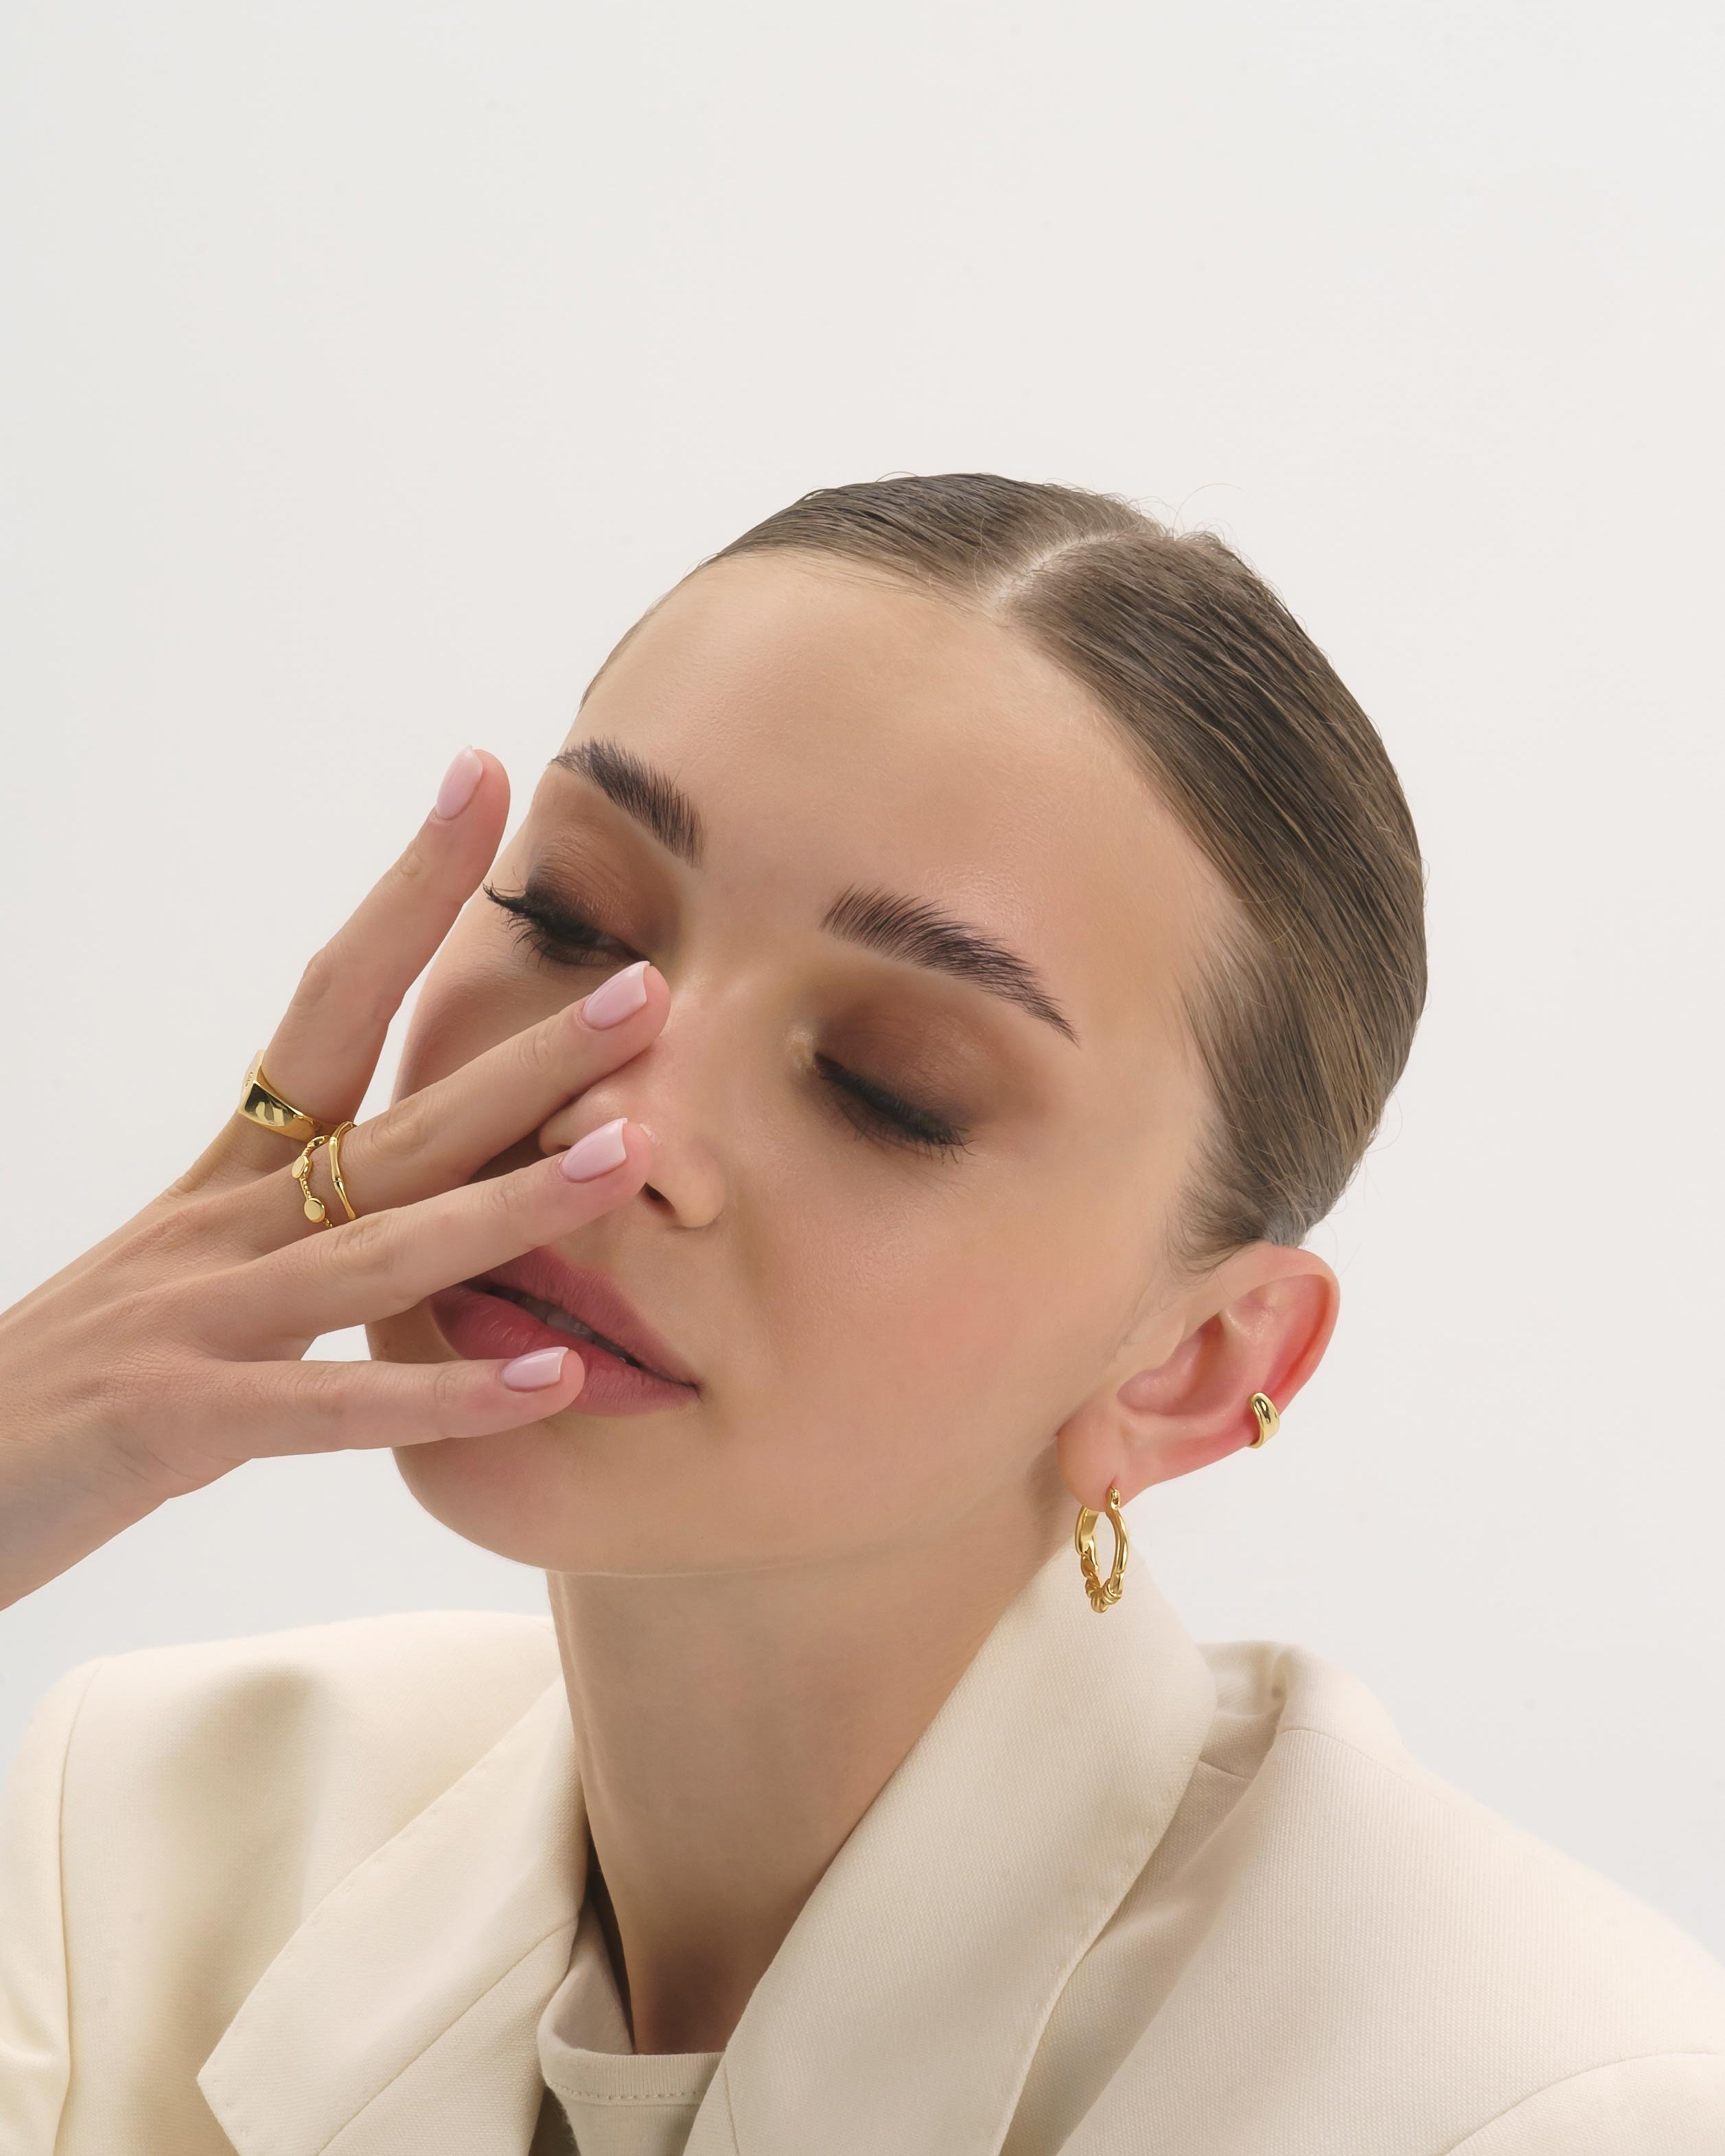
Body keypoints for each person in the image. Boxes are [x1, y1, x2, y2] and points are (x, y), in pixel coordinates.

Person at [1, 473, 1721, 2156]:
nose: (615, 1133)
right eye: (571, 919)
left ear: (1198, 1366)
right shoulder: (141, 1836)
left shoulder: (1543, 2103)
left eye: (891, 1086)